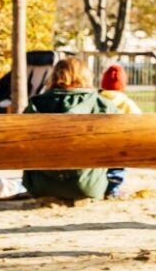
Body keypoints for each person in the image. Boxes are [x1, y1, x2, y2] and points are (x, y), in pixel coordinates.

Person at [22, 56, 117, 201]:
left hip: (40, 186)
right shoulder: (102, 105)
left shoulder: (36, 104)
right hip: (89, 186)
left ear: (55, 76)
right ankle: (112, 189)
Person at [96, 63, 141, 198]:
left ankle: (100, 188)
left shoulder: (97, 98)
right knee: (117, 167)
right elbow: (139, 120)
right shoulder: (126, 102)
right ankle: (112, 190)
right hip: (118, 146)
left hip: (98, 143)